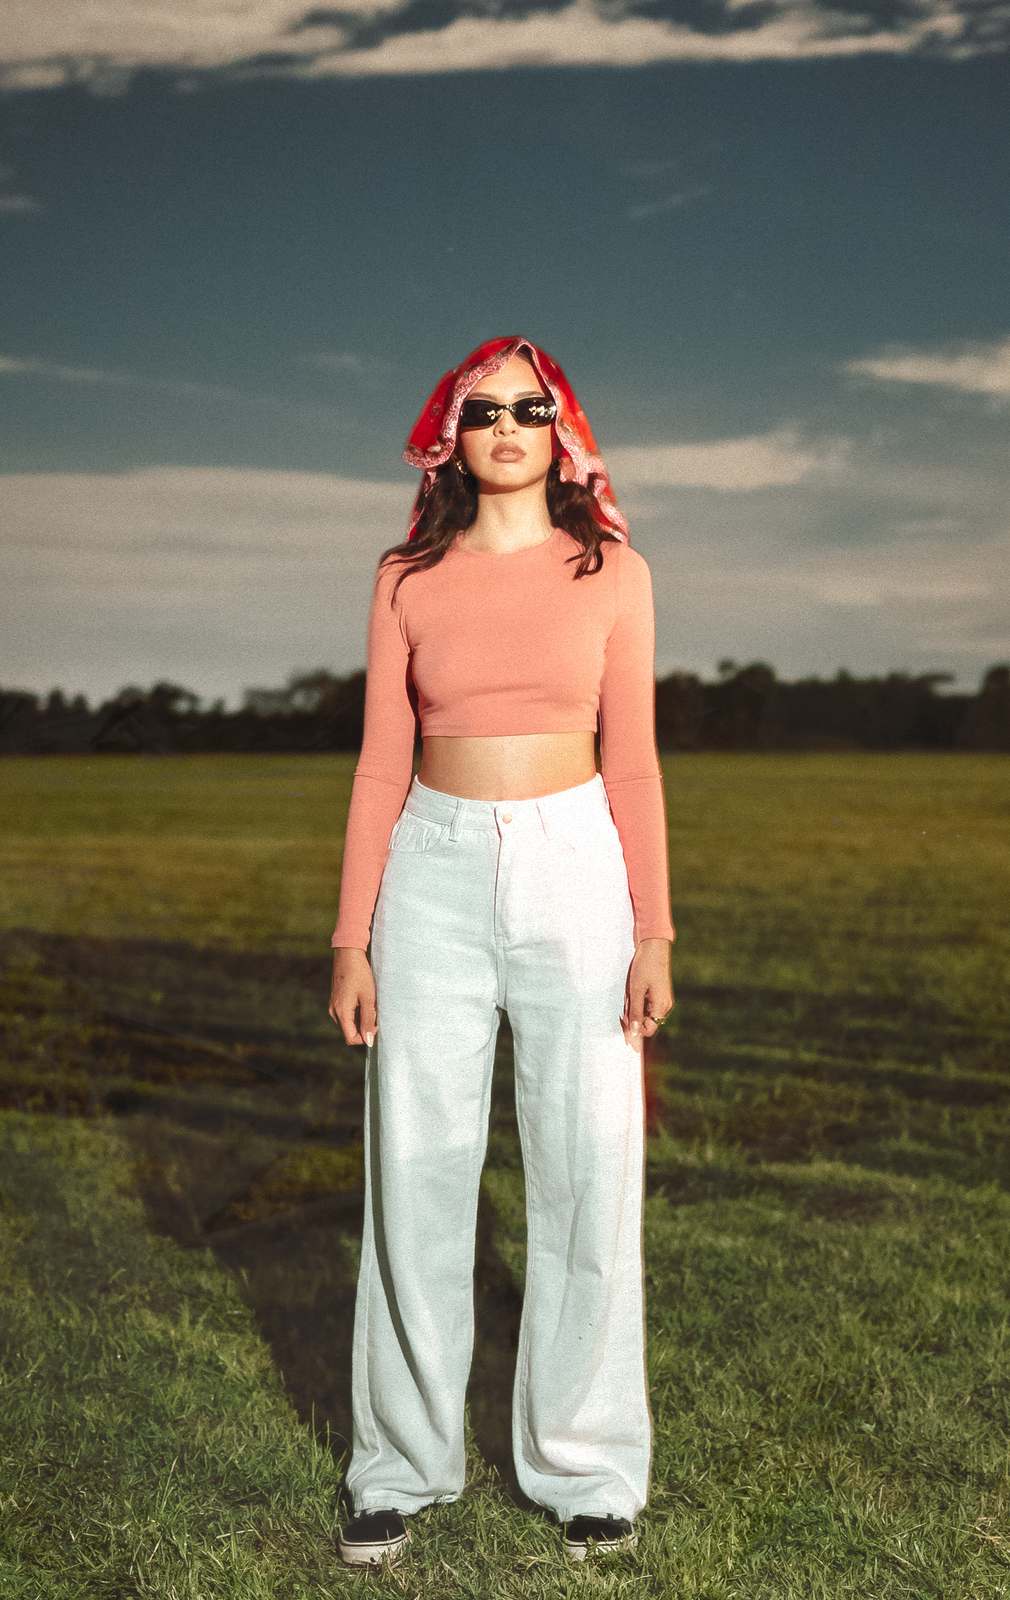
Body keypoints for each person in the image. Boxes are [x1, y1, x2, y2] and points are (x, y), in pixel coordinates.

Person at [329, 336, 674, 1566]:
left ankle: (587, 1470)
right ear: (452, 438)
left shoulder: (614, 572)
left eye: (531, 407)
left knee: (588, 1160)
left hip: (578, 863)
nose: (509, 425)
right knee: (416, 1165)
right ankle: (400, 1467)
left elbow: (631, 758)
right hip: (429, 866)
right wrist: (350, 935)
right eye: (484, 410)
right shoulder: (405, 575)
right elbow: (378, 760)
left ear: (562, 429)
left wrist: (653, 930)